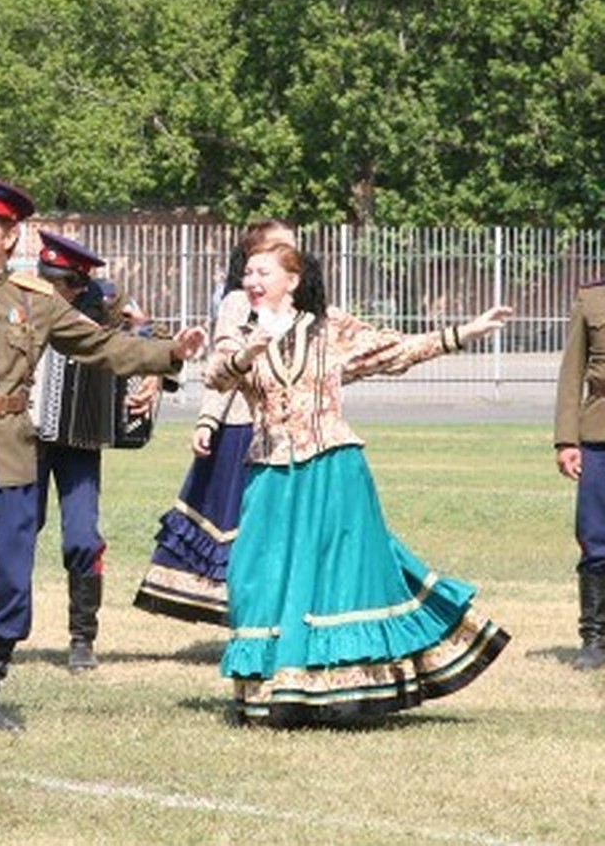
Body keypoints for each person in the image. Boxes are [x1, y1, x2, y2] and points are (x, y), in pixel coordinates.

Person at [0, 174, 205, 732]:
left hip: (16, 451)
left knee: (14, 583)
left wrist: (168, 352)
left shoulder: (38, 302)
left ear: (10, 236)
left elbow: (103, 345)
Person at [204, 241, 512, 726]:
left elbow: (396, 351)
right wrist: (246, 356)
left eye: (262, 272)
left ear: (293, 279)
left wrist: (462, 333)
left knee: (339, 573)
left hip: (333, 466)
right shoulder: (240, 333)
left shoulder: (331, 327)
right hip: (269, 468)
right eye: (247, 273)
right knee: (258, 573)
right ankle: (271, 685)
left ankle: (345, 690)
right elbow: (216, 377)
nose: (252, 281)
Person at [133, 220, 303, 626]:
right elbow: (221, 369)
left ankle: (282, 613)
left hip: (290, 431)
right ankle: (244, 616)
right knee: (231, 525)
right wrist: (208, 420)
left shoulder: (308, 304)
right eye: (278, 247)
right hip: (242, 427)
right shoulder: (235, 304)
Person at [32, 229, 163, 672]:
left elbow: (150, 337)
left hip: (80, 442)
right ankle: (2, 628)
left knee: (83, 537)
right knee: (17, 529)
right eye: (44, 276)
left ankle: (82, 638)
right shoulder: (19, 301)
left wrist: (152, 379)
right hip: (24, 439)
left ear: (80, 283)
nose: (51, 288)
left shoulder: (108, 307)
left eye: (61, 282)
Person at [553, 277, 605, 670]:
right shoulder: (591, 298)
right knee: (595, 537)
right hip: (599, 433)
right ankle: (595, 637)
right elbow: (572, 375)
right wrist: (566, 441)